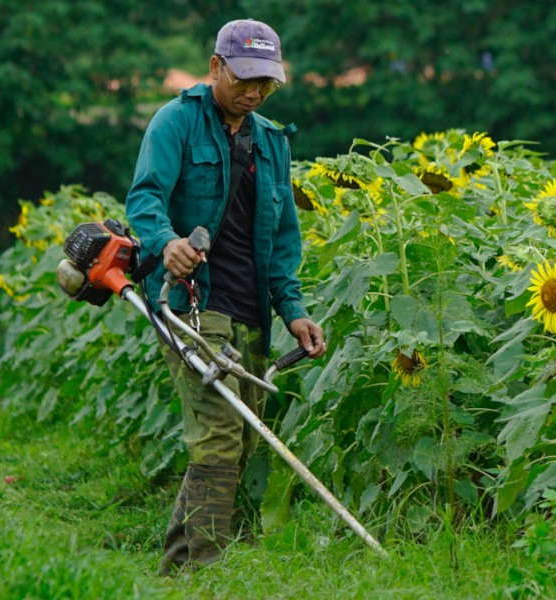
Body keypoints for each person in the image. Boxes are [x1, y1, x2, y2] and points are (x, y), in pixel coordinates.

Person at [124, 18, 326, 574]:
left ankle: (174, 570)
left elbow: (284, 239)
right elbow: (144, 200)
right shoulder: (176, 123)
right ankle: (206, 575)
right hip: (191, 301)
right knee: (216, 440)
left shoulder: (272, 142)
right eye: (245, 79)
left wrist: (296, 311)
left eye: (267, 82)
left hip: (252, 309)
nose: (255, 91)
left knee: (238, 444)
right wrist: (166, 244)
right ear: (216, 67)